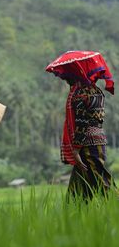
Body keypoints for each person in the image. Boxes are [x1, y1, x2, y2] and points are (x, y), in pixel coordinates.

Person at [46, 51, 115, 201]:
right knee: (78, 190)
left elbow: (82, 122)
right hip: (98, 140)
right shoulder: (96, 90)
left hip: (87, 144)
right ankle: (75, 214)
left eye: (66, 76)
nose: (65, 79)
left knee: (102, 182)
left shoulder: (79, 94)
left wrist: (76, 149)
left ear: (73, 74)